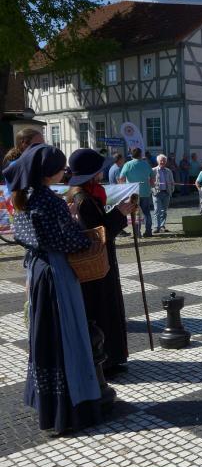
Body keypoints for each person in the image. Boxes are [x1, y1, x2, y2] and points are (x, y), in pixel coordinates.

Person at [3, 145, 101, 433]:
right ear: (49, 173)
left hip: (37, 271)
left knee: (45, 336)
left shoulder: (25, 197)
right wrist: (77, 227)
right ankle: (70, 409)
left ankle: (49, 406)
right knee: (66, 335)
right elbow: (71, 242)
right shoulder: (50, 201)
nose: (65, 172)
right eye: (61, 168)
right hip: (56, 273)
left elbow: (34, 236)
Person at [66, 149, 135, 374]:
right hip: (94, 268)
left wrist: (118, 212)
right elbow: (96, 235)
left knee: (109, 307)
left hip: (102, 263)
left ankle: (112, 359)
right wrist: (119, 213)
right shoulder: (82, 199)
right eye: (99, 170)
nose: (102, 173)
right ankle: (103, 362)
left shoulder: (89, 194)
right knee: (102, 310)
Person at [120, 148, 155, 238]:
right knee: (146, 212)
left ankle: (137, 233)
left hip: (133, 193)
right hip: (145, 191)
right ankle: (148, 231)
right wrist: (151, 186)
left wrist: (124, 188)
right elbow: (152, 176)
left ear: (131, 155)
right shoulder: (146, 163)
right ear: (140, 154)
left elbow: (122, 178)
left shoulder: (128, 164)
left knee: (135, 213)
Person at [152, 154, 175, 233]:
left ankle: (162, 226)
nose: (162, 162)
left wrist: (171, 190)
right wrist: (152, 190)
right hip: (157, 193)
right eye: (161, 161)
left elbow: (172, 181)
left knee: (164, 211)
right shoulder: (153, 170)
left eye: (164, 161)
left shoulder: (168, 171)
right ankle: (156, 227)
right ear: (158, 161)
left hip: (166, 193)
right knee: (157, 210)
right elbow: (150, 181)